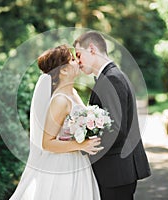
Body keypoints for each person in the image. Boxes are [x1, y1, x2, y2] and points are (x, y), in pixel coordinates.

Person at [9, 44, 103, 200]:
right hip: (62, 164)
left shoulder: (72, 92)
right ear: (64, 70)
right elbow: (47, 143)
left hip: (78, 161)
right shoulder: (60, 100)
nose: (77, 61)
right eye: (72, 59)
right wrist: (81, 145)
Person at [73, 31, 151, 200]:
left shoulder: (111, 79)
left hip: (115, 172)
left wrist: (84, 145)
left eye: (79, 55)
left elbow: (116, 129)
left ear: (92, 49)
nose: (77, 62)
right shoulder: (110, 76)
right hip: (116, 171)